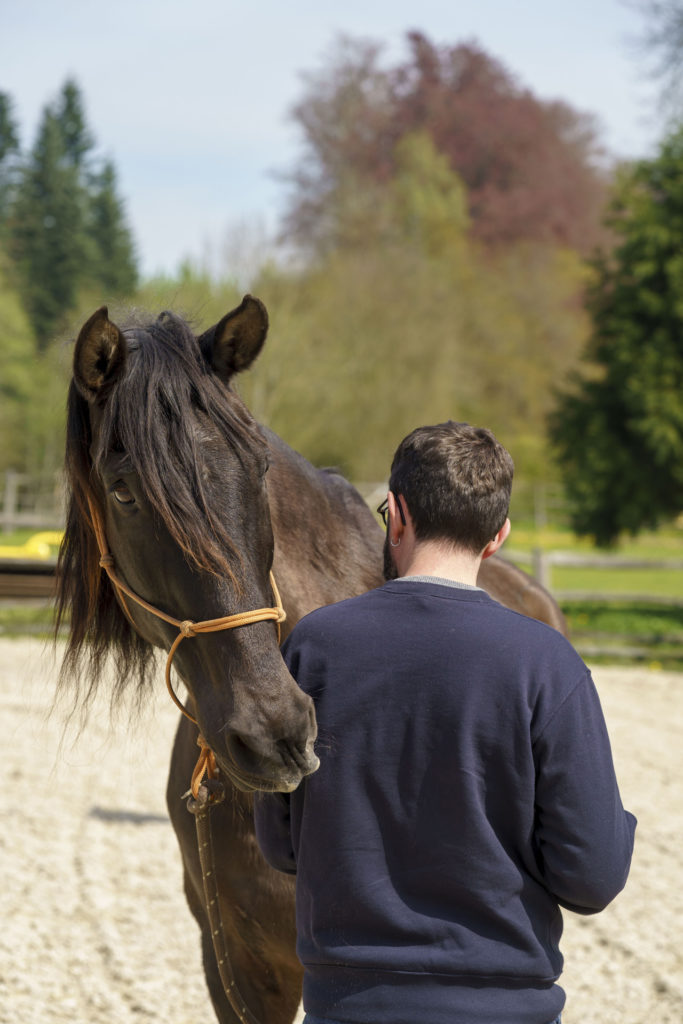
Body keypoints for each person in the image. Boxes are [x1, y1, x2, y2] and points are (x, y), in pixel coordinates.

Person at [254, 421, 636, 1024]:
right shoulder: (547, 663)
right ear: (498, 536)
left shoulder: (313, 648)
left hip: (348, 1006)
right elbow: (592, 876)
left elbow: (280, 844)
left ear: (397, 515)